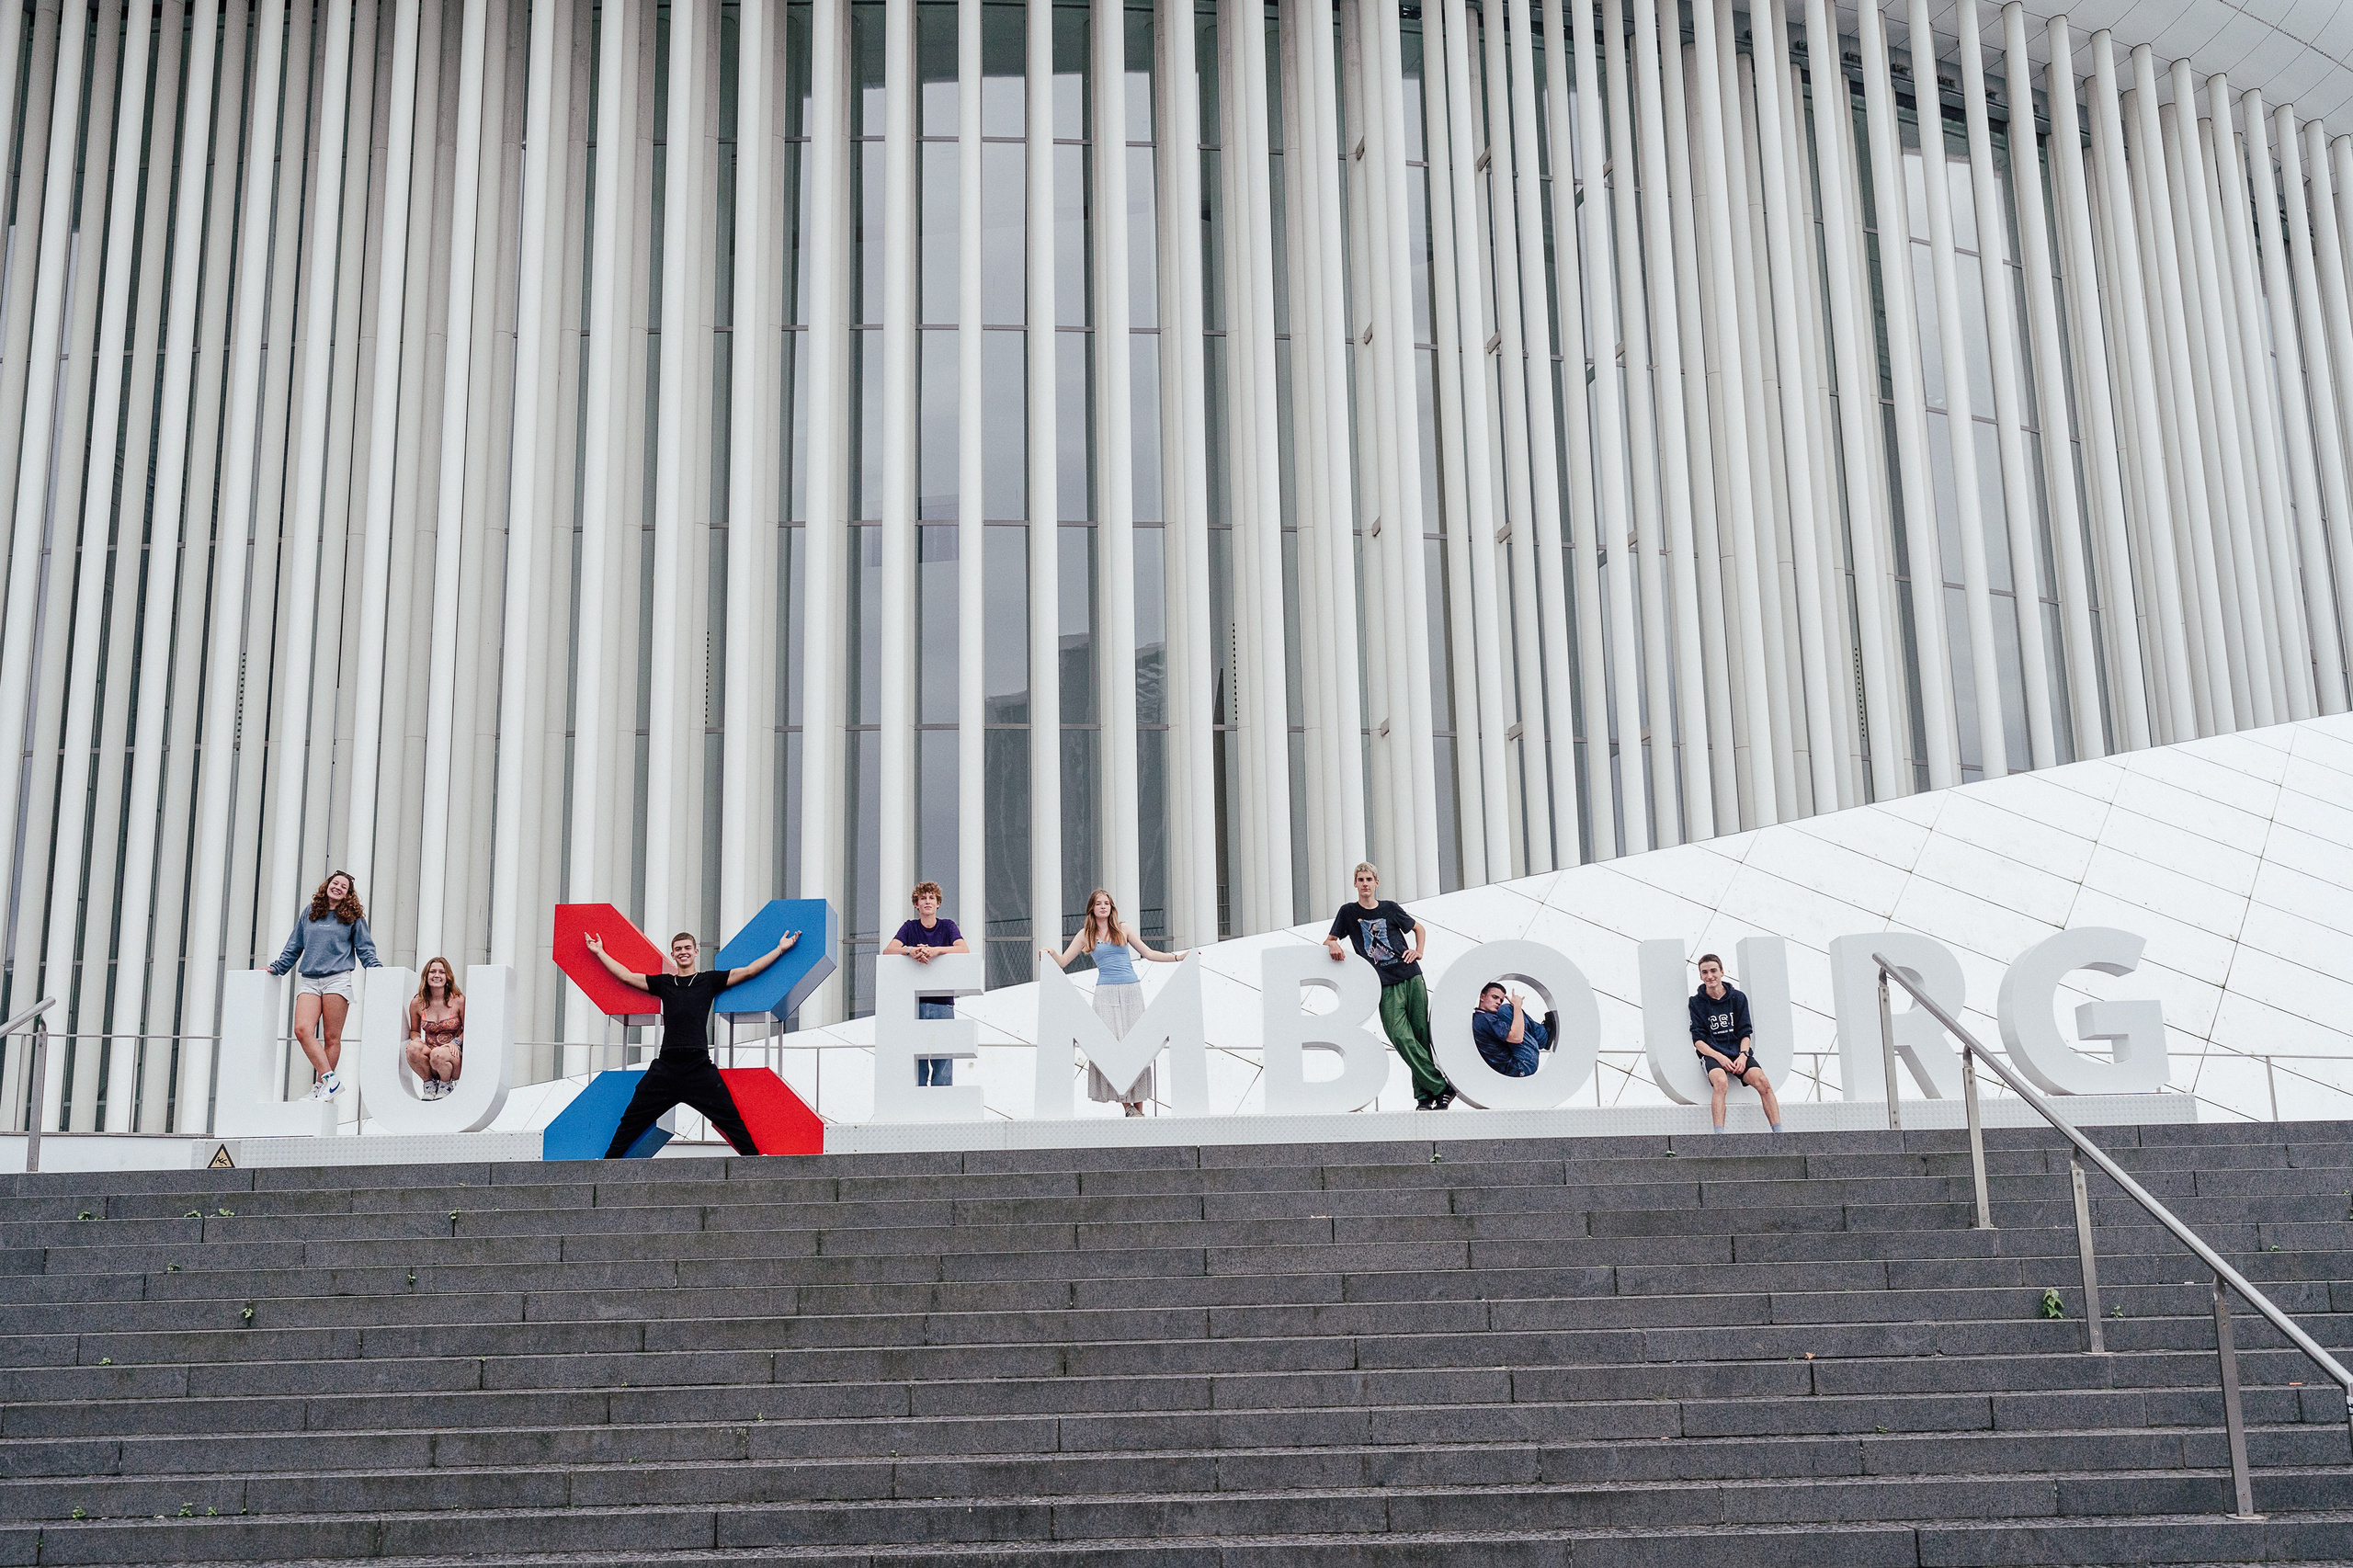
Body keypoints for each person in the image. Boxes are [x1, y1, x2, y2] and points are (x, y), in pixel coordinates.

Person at [585, 925, 800, 1157]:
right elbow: (627, 976)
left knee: (730, 1117)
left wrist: (780, 949)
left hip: (698, 1067)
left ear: (696, 952)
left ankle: (754, 1160)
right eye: (678, 949)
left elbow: (748, 971)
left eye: (687, 948)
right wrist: (599, 952)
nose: (683, 952)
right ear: (672, 954)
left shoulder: (709, 981)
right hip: (666, 1068)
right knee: (631, 1119)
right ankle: (607, 1163)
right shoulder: (664, 983)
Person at [1041, 888, 1188, 1117]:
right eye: (1099, 903)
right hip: (1105, 994)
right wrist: (1049, 953)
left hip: (1131, 991)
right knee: (1110, 1046)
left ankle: (1138, 1110)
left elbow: (1149, 953)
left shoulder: (1123, 928)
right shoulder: (1085, 934)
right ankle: (1126, 1106)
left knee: (1136, 1046)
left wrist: (1178, 957)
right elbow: (1062, 962)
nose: (1103, 907)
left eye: (1107, 903)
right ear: (1092, 908)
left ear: (1111, 907)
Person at [1324, 862, 1454, 1110]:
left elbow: (1419, 928)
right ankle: (1441, 1087)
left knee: (1419, 1037)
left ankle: (1425, 1097)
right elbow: (1329, 940)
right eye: (1360, 880)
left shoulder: (1390, 908)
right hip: (1384, 983)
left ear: (1376, 883)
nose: (1365, 884)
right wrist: (1333, 944)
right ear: (1355, 884)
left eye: (1368, 880)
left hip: (1411, 976)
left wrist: (1419, 951)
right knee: (1400, 1036)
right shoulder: (1348, 912)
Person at [265, 870, 381, 1100]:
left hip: (337, 979)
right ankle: (330, 1079)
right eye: (335, 883)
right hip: (310, 979)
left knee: (331, 1037)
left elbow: (365, 948)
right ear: (327, 886)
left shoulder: (353, 917)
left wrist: (377, 970)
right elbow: (295, 945)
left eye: (344, 887)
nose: (338, 888)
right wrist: (277, 968)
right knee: (302, 1030)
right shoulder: (310, 912)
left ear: (348, 894)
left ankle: (321, 1087)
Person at [881, 881, 968, 1085]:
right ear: (916, 904)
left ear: (938, 903)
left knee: (943, 1061)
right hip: (914, 1004)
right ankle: (916, 1100)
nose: (927, 902)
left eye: (931, 898)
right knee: (916, 1062)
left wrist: (936, 950)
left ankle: (941, 1102)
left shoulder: (947, 926)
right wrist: (911, 951)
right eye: (923, 898)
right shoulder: (909, 927)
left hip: (943, 1003)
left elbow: (963, 949)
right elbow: (888, 950)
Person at [1690, 952, 1784, 1133]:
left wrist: (1743, 1055)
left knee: (1763, 1081)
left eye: (1713, 971)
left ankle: (1779, 1133)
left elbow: (1745, 1033)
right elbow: (1698, 1041)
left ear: (1722, 972)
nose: (1710, 976)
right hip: (1713, 1054)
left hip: (1738, 1052)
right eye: (1704, 972)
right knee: (1720, 1082)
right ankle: (1719, 1136)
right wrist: (1720, 1058)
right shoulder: (1696, 1002)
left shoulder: (1738, 997)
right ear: (1700, 976)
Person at [405, 958, 466, 1099]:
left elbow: (469, 1029)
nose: (437, 975)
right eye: (432, 972)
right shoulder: (417, 1003)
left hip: (453, 1057)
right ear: (426, 976)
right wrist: (417, 1039)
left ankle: (446, 1084)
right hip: (431, 1055)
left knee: (438, 1054)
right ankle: (429, 1083)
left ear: (448, 976)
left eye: (441, 972)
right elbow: (414, 1031)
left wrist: (455, 1042)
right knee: (412, 1048)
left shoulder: (459, 1000)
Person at [1472, 981, 1549, 1078]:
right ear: (1482, 997)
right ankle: (1543, 1037)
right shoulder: (1484, 1019)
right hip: (1521, 1065)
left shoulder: (1480, 1018)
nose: (1498, 1002)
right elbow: (1517, 1038)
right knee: (1505, 1010)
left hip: (1512, 1068)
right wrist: (1517, 1006)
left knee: (1505, 1012)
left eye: (1501, 1000)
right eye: (1495, 997)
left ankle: (1542, 1037)